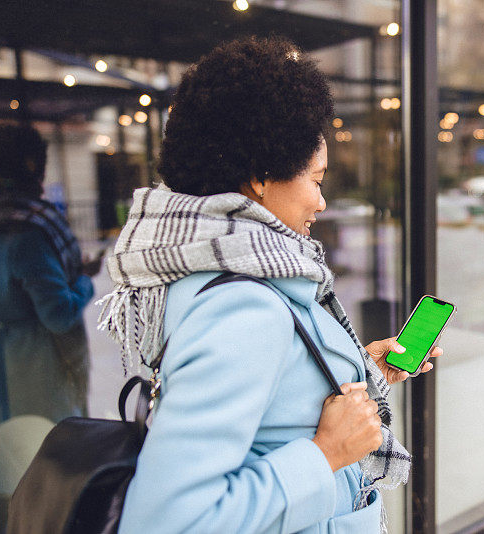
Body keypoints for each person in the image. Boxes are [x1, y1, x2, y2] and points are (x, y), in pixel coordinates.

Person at [97, 37, 441, 533]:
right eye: (317, 180)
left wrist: (364, 369)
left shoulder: (213, 268)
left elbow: (269, 411)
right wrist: (327, 454)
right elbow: (167, 522)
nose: (321, 203)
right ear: (261, 176)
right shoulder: (242, 304)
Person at [0, 123, 100, 532]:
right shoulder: (28, 231)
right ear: (28, 167)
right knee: (48, 460)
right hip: (35, 359)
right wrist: (85, 280)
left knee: (0, 461)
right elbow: (57, 314)